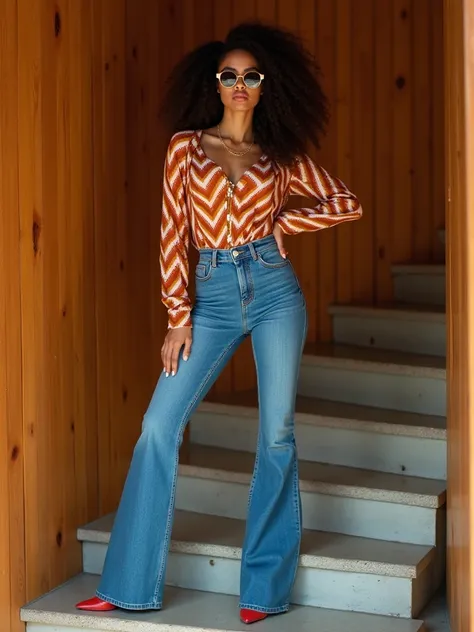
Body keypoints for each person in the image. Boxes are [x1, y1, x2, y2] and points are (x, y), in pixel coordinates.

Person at [76, 21, 362, 625]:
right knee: (158, 424)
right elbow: (171, 233)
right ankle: (128, 582)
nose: (238, 84)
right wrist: (178, 317)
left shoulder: (280, 157)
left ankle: (263, 591)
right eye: (228, 74)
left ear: (265, 88)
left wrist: (286, 227)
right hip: (207, 296)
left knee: (276, 434)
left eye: (250, 76)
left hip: (275, 293)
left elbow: (347, 203)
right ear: (215, 83)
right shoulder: (186, 147)